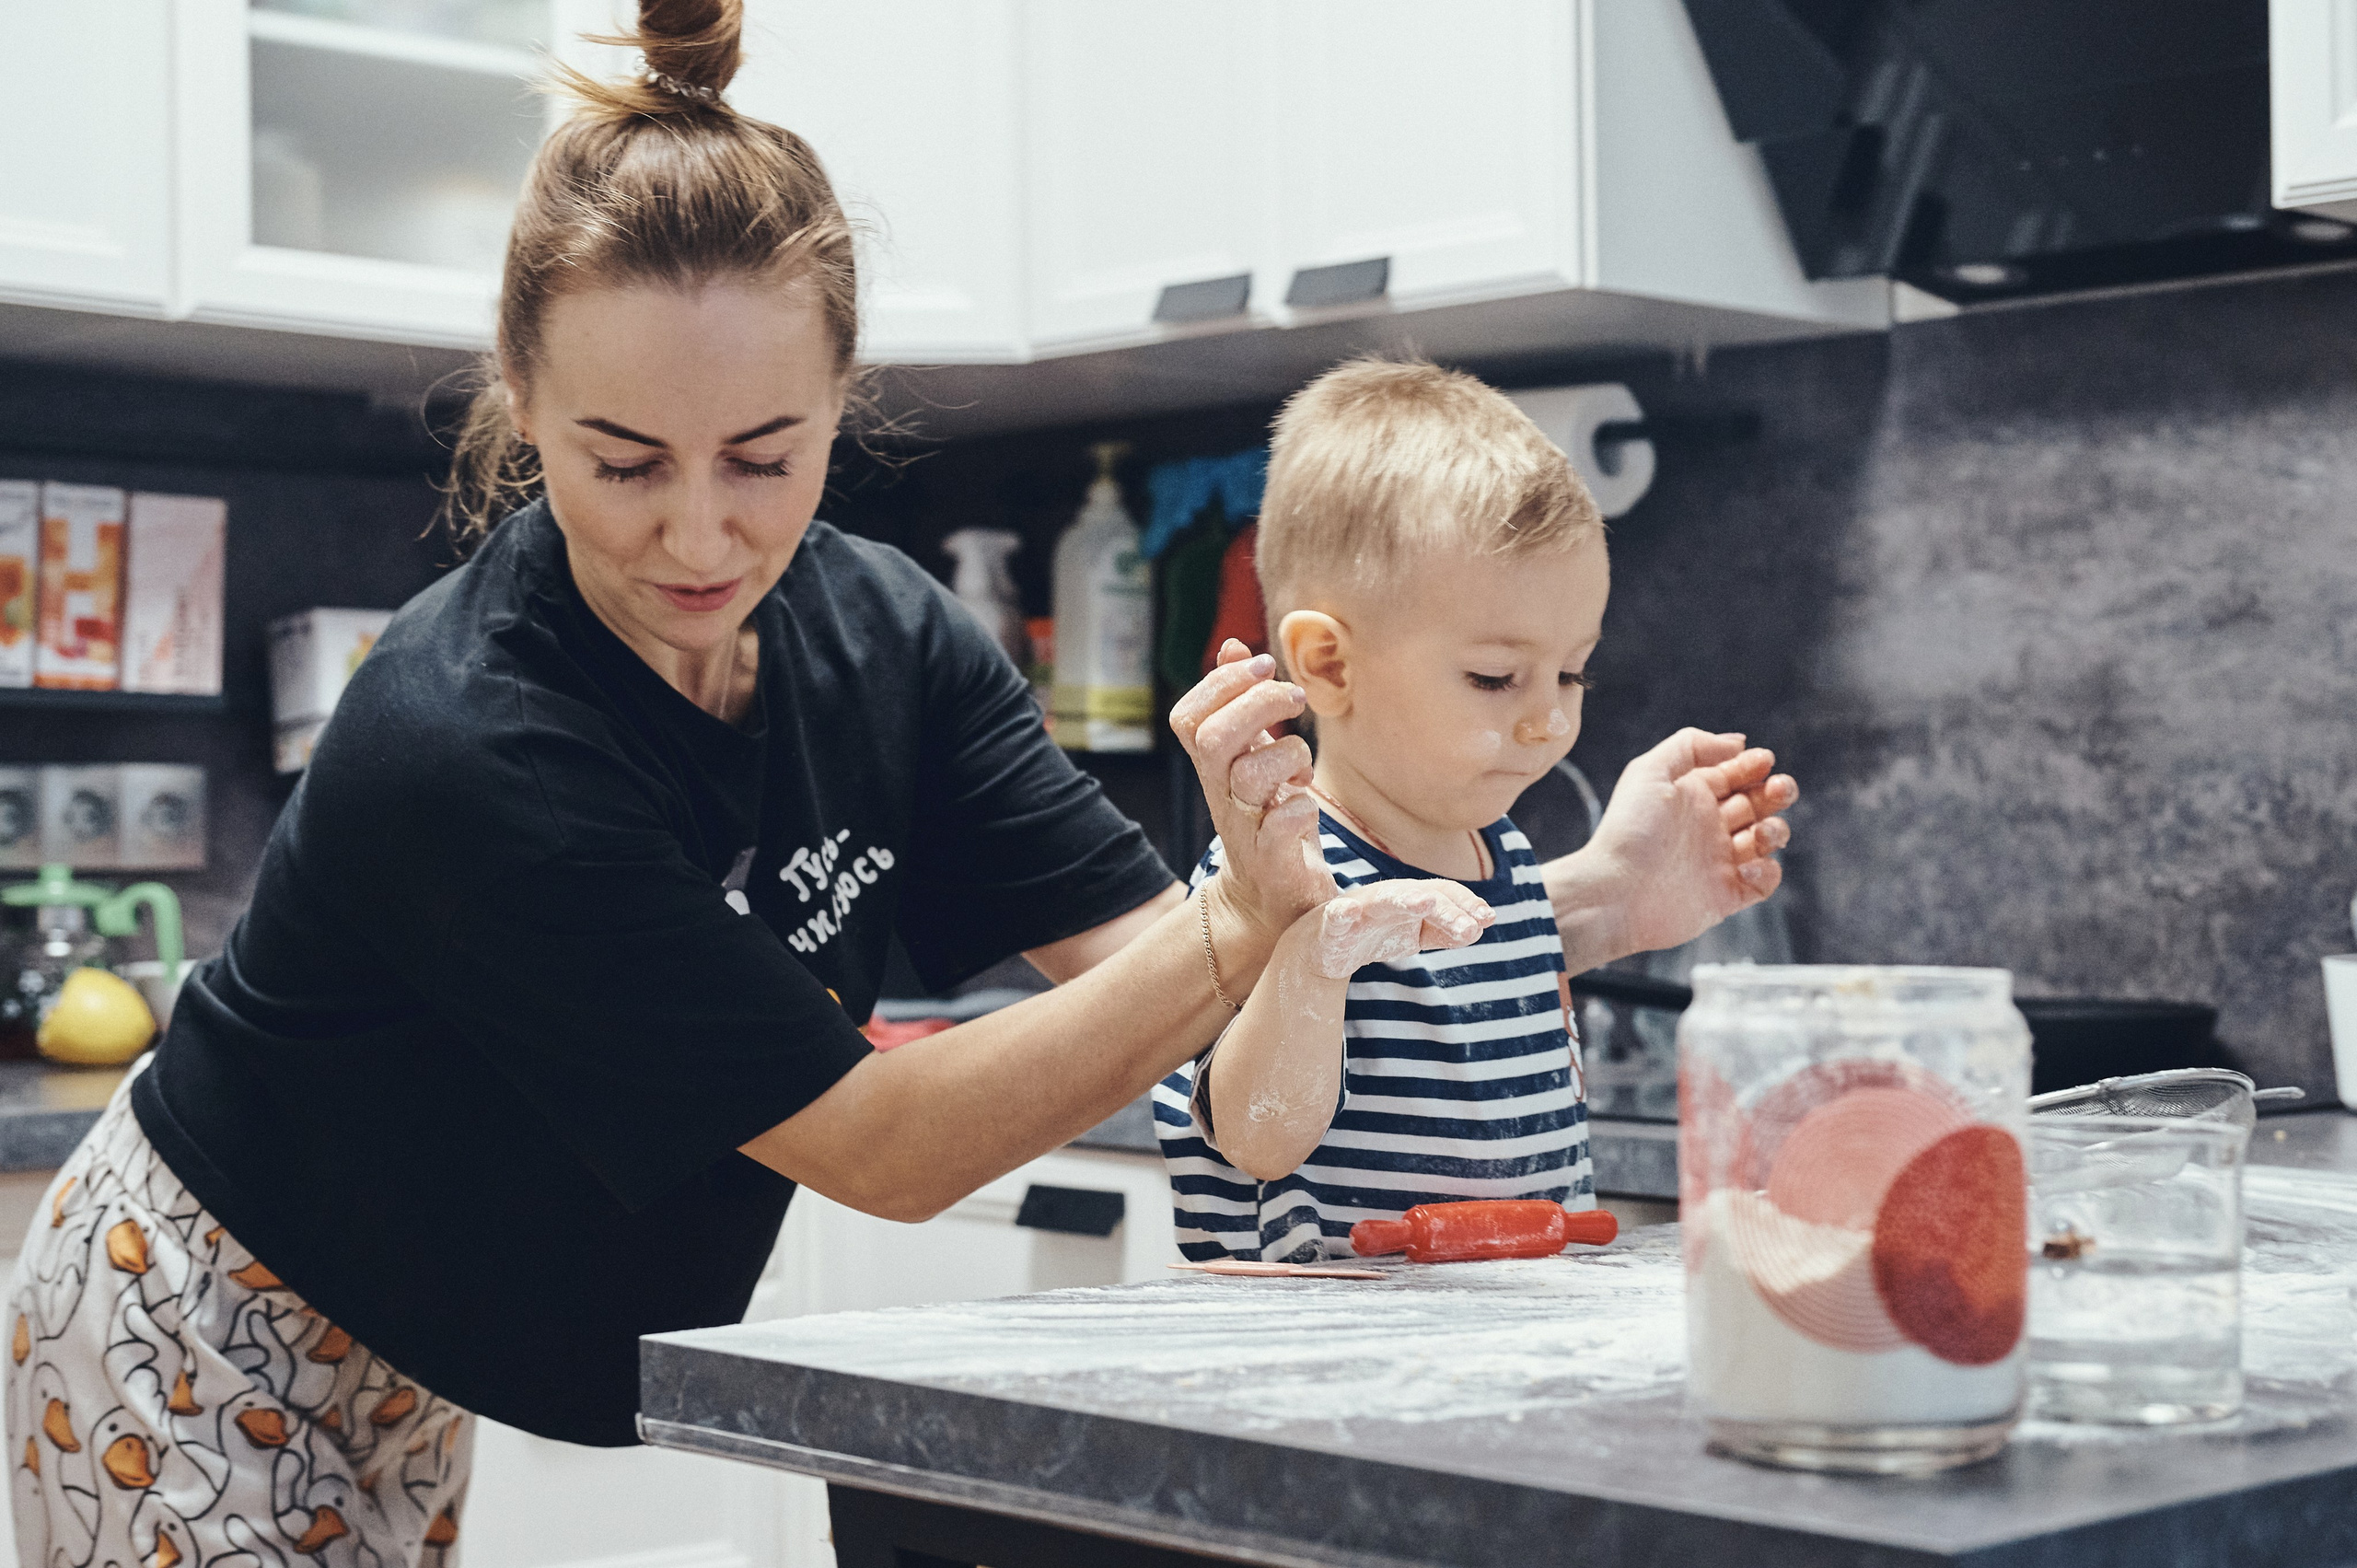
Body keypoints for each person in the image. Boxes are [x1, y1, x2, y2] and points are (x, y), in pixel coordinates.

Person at [6, 9, 1790, 1566]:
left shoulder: (883, 631)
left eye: (762, 455)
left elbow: (1170, 985)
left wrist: (1574, 900)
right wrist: (1248, 907)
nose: (698, 529)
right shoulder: (465, 737)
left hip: (405, 1327)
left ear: (837, 406)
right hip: (199, 1307)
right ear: (519, 409)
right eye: (621, 460)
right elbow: (888, 1145)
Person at [1154, 359, 1797, 1261]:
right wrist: (1312, 951)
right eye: (1495, 676)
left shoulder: (1504, 857)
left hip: (1495, 1354)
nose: (1551, 717)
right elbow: (1255, 1138)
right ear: (1331, 666)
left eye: (1571, 670)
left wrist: (1615, 893)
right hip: (1321, 1371)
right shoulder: (1272, 869)